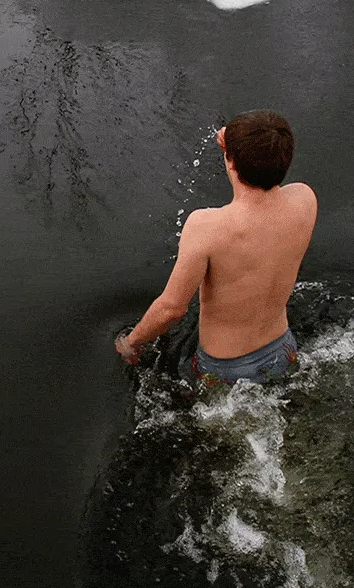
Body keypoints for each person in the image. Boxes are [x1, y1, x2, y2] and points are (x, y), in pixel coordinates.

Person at [115, 109, 317, 386]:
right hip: (283, 349)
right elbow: (268, 165)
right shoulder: (304, 200)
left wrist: (131, 342)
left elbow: (171, 309)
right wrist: (242, 146)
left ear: (231, 161)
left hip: (224, 369)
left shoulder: (207, 227)